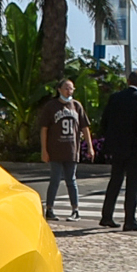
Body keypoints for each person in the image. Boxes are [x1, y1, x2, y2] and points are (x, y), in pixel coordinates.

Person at [32, 78, 92, 221]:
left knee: (71, 180)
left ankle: (75, 209)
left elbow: (85, 127)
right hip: (55, 149)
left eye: (71, 88)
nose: (68, 91)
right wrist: (44, 150)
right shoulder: (51, 106)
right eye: (66, 88)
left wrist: (90, 146)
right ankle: (50, 209)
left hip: (71, 149)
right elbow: (44, 129)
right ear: (59, 89)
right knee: (55, 179)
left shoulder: (77, 106)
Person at [98, 71, 137, 231]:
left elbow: (105, 121)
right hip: (134, 147)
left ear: (128, 81)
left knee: (115, 181)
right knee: (133, 184)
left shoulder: (115, 97)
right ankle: (130, 220)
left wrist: (108, 142)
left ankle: (107, 216)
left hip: (117, 147)